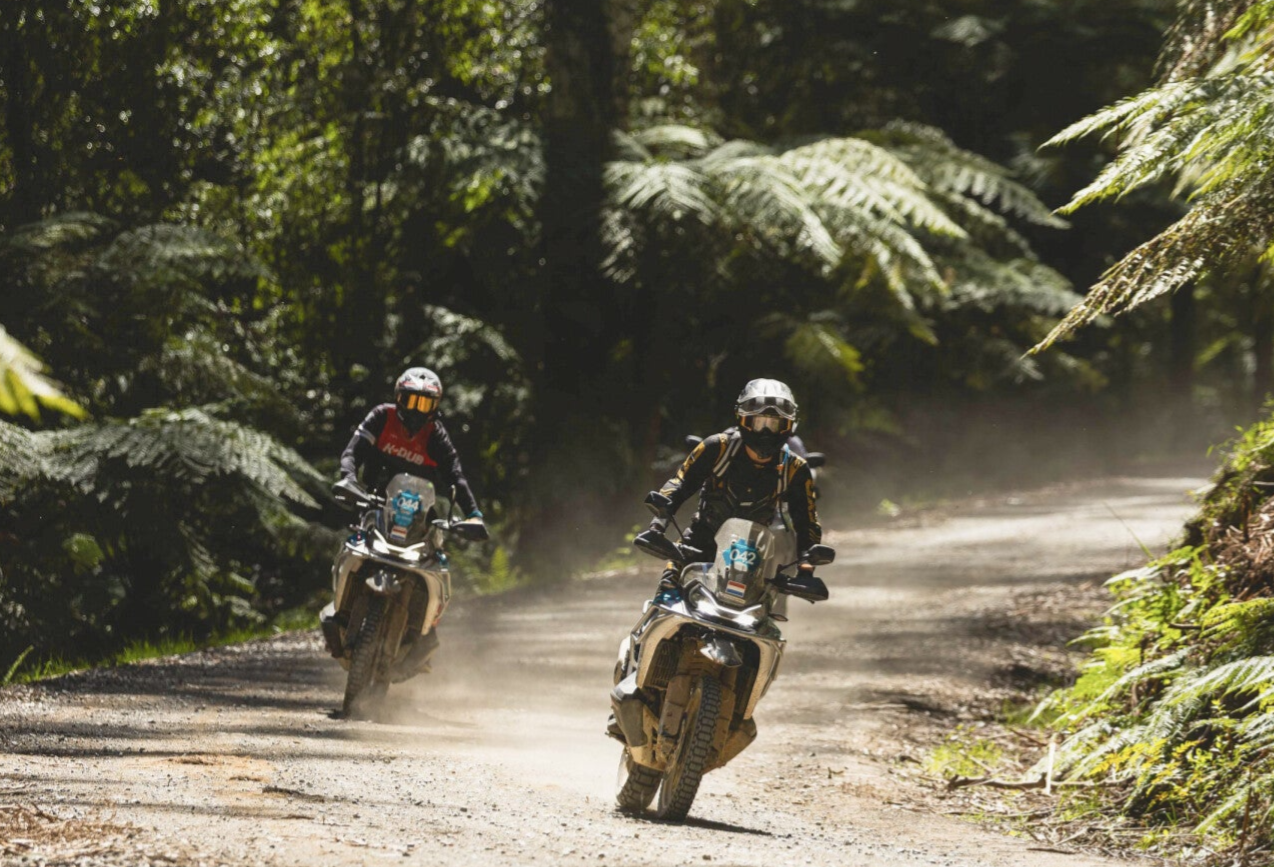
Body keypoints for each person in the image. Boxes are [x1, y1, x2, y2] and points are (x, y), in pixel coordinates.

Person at [327, 366, 486, 671]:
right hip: (375, 507)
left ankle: (423, 632)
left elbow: (456, 477)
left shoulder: (436, 435)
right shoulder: (380, 417)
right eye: (411, 401)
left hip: (419, 519)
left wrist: (474, 514)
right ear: (398, 399)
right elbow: (352, 453)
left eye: (425, 404)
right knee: (351, 547)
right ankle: (341, 611)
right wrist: (349, 478)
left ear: (435, 408)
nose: (416, 410)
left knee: (437, 563)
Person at [639, 378, 822, 589]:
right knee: (666, 600)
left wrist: (806, 569)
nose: (765, 432)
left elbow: (806, 521)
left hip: (753, 560)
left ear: (788, 426)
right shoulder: (717, 447)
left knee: (760, 619)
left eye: (774, 424)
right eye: (758, 422)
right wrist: (657, 527)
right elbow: (679, 484)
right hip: (697, 545)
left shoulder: (795, 468)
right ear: (742, 420)